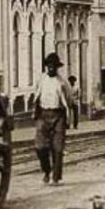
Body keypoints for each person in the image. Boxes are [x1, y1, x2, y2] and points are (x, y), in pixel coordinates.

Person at [33, 53, 73, 185]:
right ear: (46, 67)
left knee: (58, 148)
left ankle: (56, 177)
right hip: (43, 114)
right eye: (49, 66)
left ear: (57, 68)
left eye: (53, 67)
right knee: (40, 146)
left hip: (58, 116)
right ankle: (46, 170)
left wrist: (68, 117)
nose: (51, 69)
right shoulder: (41, 80)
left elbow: (69, 99)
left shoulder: (63, 82)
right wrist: (36, 111)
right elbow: (36, 95)